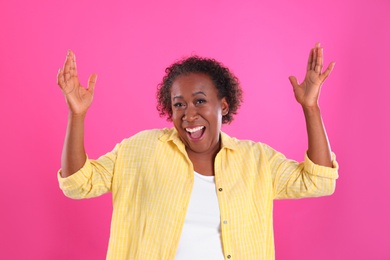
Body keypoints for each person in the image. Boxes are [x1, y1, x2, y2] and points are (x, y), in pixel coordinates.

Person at [57, 43, 339, 260]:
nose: (189, 115)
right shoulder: (140, 150)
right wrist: (77, 114)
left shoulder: (257, 161)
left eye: (200, 101)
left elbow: (318, 181)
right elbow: (77, 184)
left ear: (224, 106)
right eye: (179, 104)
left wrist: (310, 107)